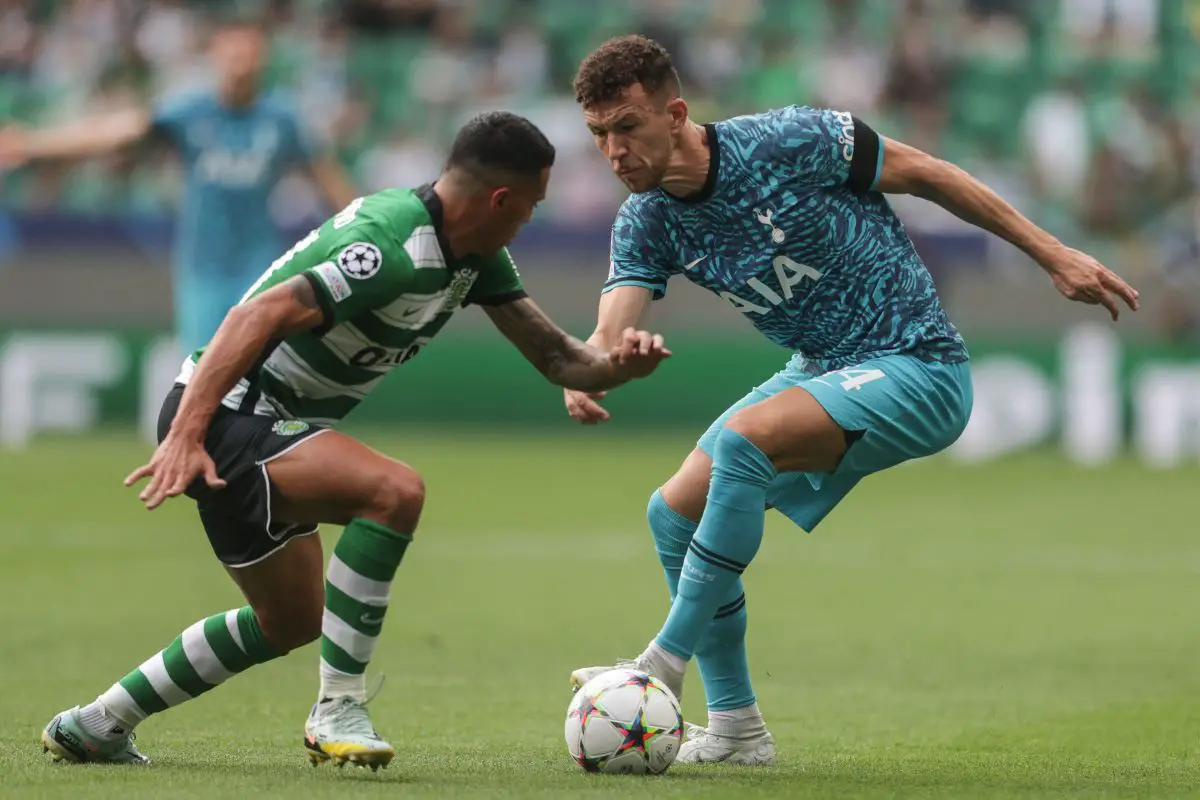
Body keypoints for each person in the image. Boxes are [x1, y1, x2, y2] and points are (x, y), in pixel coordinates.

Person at [564, 35, 1139, 766]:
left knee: (745, 440)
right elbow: (611, 330)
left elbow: (929, 174)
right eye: (598, 135)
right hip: (823, 368)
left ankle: (660, 666)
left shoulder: (792, 140)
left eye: (626, 127)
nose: (612, 151)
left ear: (675, 113)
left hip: (918, 363)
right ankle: (737, 729)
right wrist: (592, 370)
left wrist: (1052, 253)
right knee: (671, 511)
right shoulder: (647, 219)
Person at [40, 110, 670, 770]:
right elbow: (257, 313)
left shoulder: (475, 255)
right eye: (531, 207)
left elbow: (557, 358)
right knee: (392, 491)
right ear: (499, 199)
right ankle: (337, 707)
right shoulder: (392, 242)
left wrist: (618, 366)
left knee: (289, 621)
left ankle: (98, 723)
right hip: (226, 416)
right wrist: (187, 432)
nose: (528, 221)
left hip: (251, 427)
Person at [0, 16, 358, 354]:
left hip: (259, 263)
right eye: (232, 49)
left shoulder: (282, 118)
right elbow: (119, 133)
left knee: (255, 369)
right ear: (215, 53)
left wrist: (369, 234)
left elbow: (328, 179)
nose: (240, 59)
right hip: (202, 266)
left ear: (263, 56)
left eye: (249, 49)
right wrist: (35, 144)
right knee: (202, 368)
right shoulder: (189, 111)